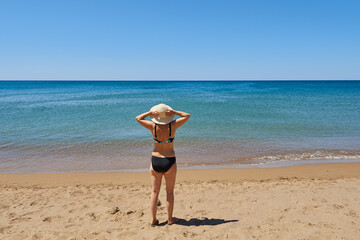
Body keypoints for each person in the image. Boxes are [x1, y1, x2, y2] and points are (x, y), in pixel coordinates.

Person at [135, 103, 190, 226]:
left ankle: (153, 219)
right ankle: (170, 219)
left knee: (154, 192)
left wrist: (149, 114)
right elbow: (187, 115)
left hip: (156, 160)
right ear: (168, 116)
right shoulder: (173, 125)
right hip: (169, 161)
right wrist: (174, 112)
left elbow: (138, 118)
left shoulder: (152, 126)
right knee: (169, 192)